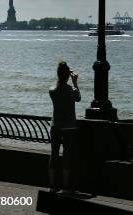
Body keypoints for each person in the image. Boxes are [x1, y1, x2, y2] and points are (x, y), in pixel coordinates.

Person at [48, 61, 81, 193]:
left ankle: (52, 185)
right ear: (68, 75)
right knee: (67, 155)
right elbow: (78, 98)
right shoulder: (71, 90)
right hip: (69, 127)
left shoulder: (52, 90)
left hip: (55, 125)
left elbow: (57, 87)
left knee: (53, 155)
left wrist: (65, 76)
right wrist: (75, 82)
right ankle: (66, 186)